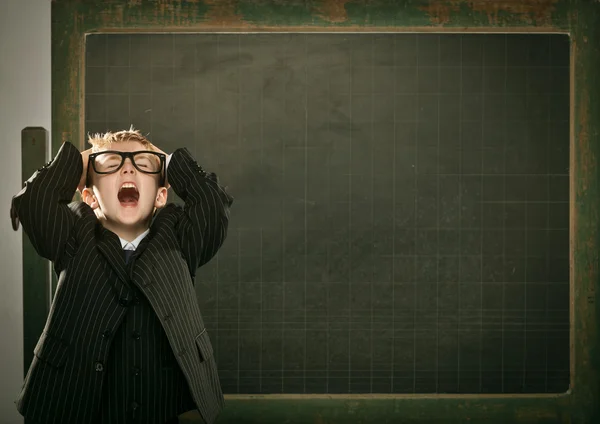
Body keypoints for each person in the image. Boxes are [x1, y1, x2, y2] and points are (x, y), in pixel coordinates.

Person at [10, 128, 233, 424]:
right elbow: (35, 201)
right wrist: (81, 160)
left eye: (142, 163)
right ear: (89, 196)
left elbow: (213, 207)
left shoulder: (179, 237)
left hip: (159, 405)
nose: (128, 167)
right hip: (74, 404)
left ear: (161, 195)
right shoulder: (74, 233)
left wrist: (170, 162)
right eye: (112, 163)